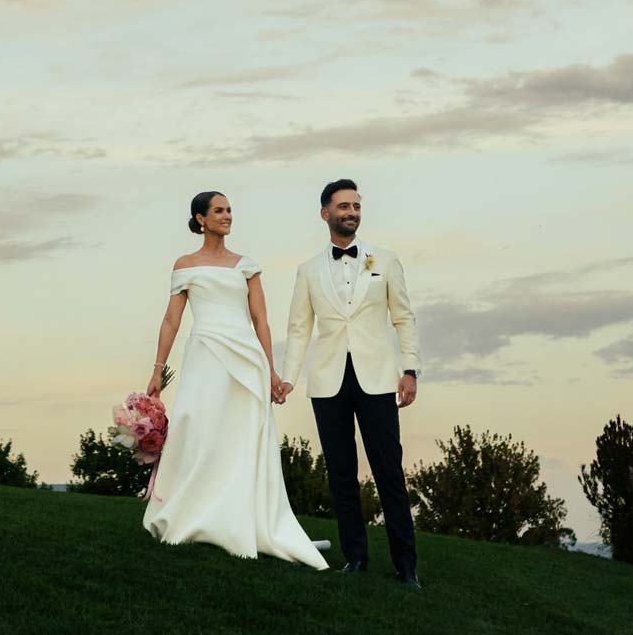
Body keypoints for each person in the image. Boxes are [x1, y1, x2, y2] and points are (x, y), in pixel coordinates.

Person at [140, 190, 326, 567]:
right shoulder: (185, 264)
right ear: (200, 219)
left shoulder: (247, 265)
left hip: (246, 358)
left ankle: (246, 518)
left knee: (242, 436)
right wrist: (157, 371)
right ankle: (195, 513)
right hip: (205, 353)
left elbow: (261, 320)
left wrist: (271, 370)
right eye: (219, 211)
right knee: (201, 429)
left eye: (229, 210)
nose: (227, 216)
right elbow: (171, 320)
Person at [276, 177, 423, 587]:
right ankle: (355, 557)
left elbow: (403, 318)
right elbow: (299, 328)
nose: (351, 213)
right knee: (341, 474)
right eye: (343, 206)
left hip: (378, 381)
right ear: (325, 213)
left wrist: (409, 370)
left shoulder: (386, 260)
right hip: (328, 383)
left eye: (356, 206)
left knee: (388, 472)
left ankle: (406, 565)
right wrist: (287, 378)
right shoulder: (307, 271)